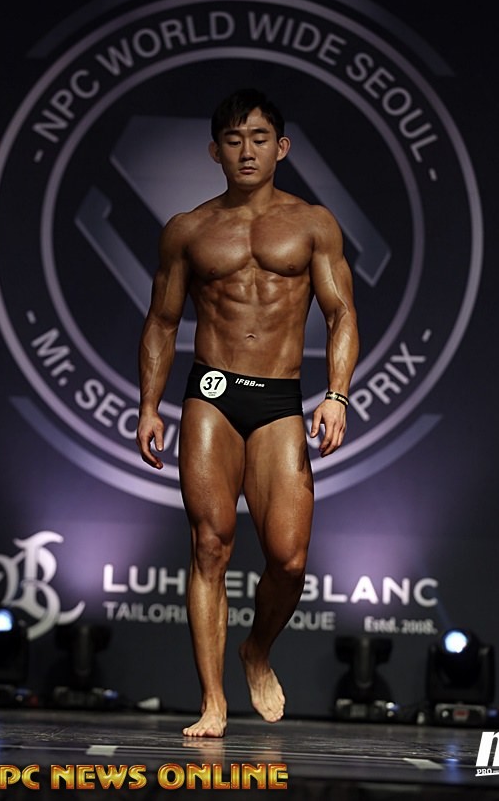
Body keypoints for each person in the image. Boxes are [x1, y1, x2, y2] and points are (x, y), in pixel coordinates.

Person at [136, 88, 359, 738]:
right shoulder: (188, 230)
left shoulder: (313, 224)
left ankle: (256, 649)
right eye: (233, 140)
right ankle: (212, 703)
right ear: (215, 151)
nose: (247, 151)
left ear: (281, 147)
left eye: (259, 138)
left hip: (278, 398)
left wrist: (337, 394)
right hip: (210, 393)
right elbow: (161, 321)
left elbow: (341, 314)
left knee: (288, 560)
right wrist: (148, 407)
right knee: (209, 545)